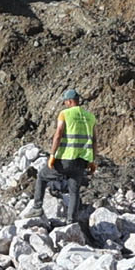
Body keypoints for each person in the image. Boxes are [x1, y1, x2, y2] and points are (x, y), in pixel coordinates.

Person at [47, 89, 96, 226]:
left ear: (69, 101)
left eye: (65, 102)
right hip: (82, 160)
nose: (65, 104)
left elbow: (58, 135)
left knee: (42, 177)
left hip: (66, 158)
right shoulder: (90, 116)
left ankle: (37, 208)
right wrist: (92, 161)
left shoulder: (65, 114)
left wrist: (52, 155)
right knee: (74, 191)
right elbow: (94, 140)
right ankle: (71, 222)